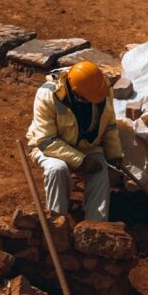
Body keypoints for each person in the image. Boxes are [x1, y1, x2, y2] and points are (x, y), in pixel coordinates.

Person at [27, 61, 124, 221]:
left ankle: (96, 227)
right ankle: (57, 223)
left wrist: (114, 153)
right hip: (50, 148)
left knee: (100, 173)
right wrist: (81, 161)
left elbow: (109, 125)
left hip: (88, 147)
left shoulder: (101, 89)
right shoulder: (48, 96)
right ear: (75, 92)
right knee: (57, 170)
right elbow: (46, 141)